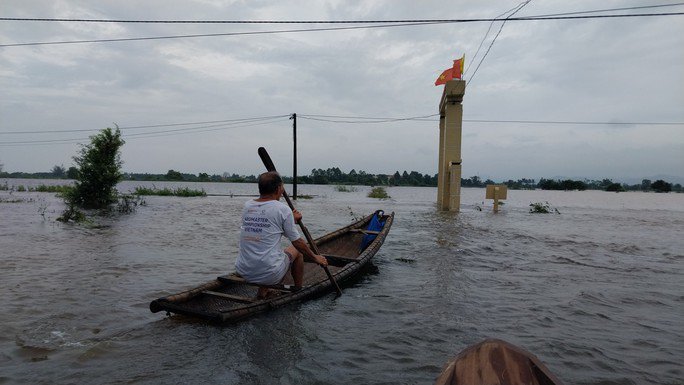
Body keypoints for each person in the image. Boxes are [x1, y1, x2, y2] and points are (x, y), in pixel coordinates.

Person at [235, 171, 328, 299]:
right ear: (279, 188)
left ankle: (263, 291)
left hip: (243, 270)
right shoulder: (282, 209)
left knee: (272, 254)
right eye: (282, 186)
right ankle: (298, 290)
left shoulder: (248, 206)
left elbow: (270, 226)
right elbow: (297, 242)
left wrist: (291, 219)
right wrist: (315, 258)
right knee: (297, 250)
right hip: (269, 274)